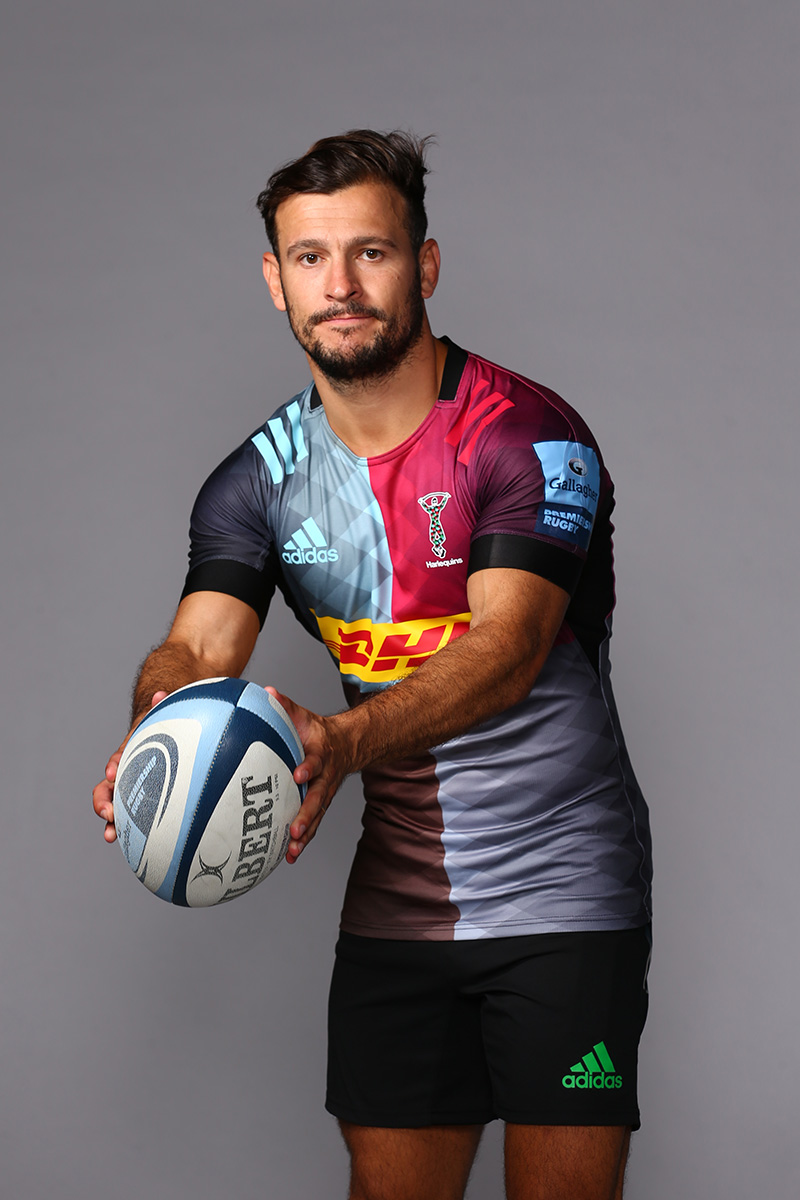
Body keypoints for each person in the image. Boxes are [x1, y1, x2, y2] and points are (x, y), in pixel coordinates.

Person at [93, 129, 652, 1200]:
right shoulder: (255, 483)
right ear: (274, 280)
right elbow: (194, 649)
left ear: (424, 265)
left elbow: (508, 650)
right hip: (396, 908)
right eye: (309, 259)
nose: (339, 286)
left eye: (371, 253)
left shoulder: (523, 437)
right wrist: (159, 728)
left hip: (563, 898)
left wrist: (343, 740)